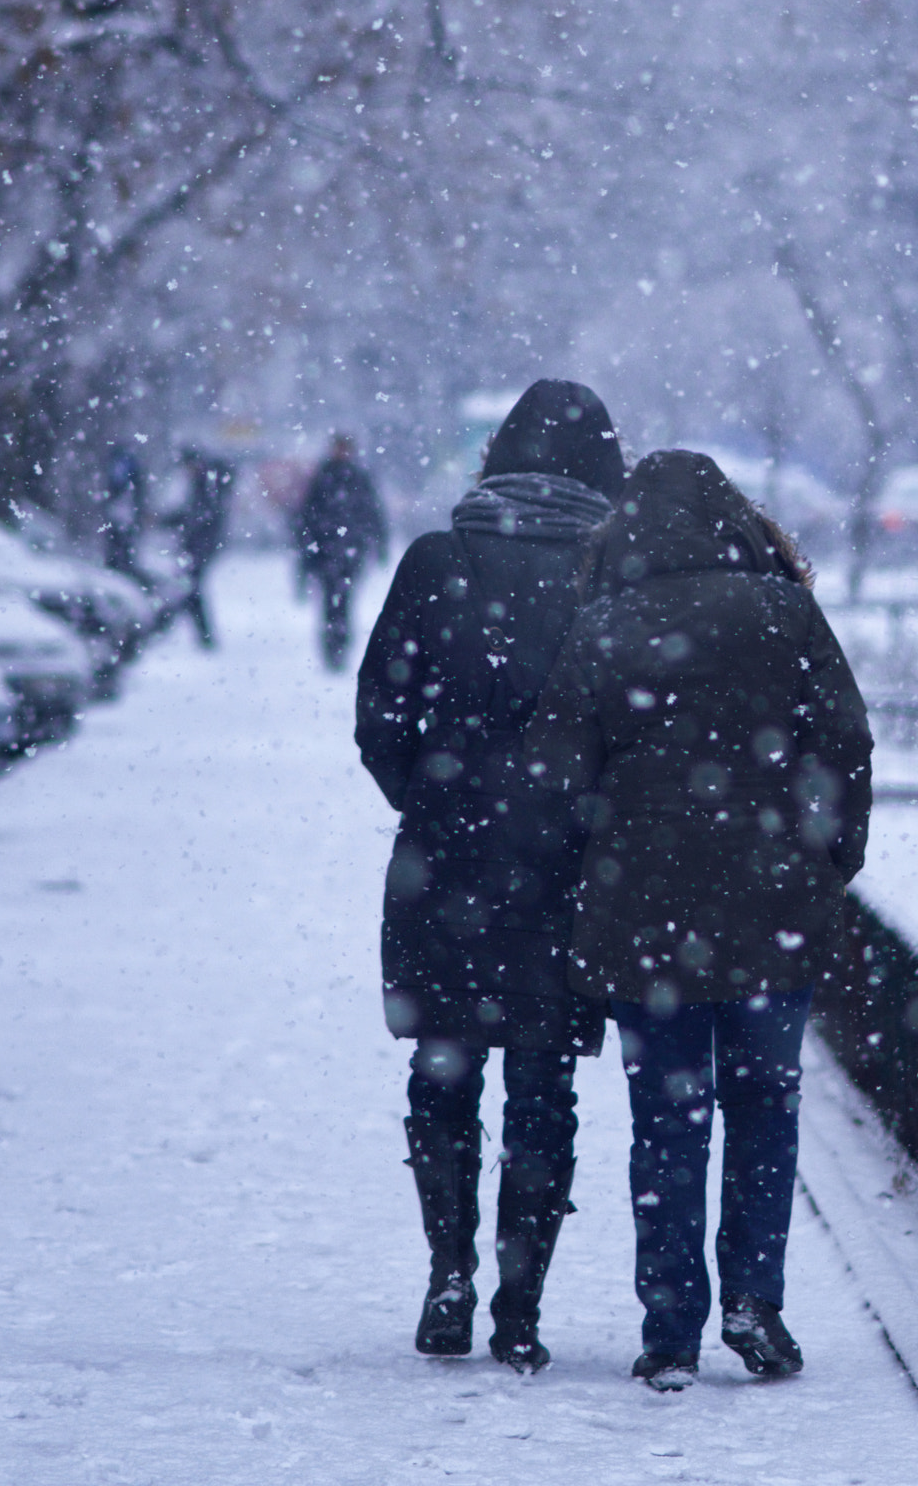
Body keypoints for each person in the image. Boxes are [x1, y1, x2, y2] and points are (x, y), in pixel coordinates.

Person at [526, 450, 873, 1391]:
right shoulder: (783, 612)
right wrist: (829, 861)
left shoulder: (602, 624)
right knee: (764, 1104)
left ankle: (670, 1326)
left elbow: (556, 774)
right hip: (772, 905)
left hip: (644, 918)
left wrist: (596, 859)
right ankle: (755, 1300)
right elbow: (842, 739)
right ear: (736, 520)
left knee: (667, 1121)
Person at [355, 380, 626, 1371]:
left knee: (444, 1071)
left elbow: (380, 712)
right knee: (544, 1086)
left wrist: (430, 796)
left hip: (448, 859)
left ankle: (447, 1272)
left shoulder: (438, 559)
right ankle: (520, 1302)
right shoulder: (613, 571)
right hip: (567, 866)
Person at [295, 436, 388, 669]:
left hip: (349, 551)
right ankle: (334, 647)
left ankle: (338, 646)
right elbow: (307, 516)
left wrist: (378, 543)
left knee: (341, 600)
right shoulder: (325, 477)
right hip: (330, 551)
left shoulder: (356, 477)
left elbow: (373, 512)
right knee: (333, 600)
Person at [164, 447, 235, 648]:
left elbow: (198, 516)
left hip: (200, 545)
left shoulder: (205, 485)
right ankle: (201, 633)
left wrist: (170, 522)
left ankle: (200, 633)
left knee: (189, 587)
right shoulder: (206, 483)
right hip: (200, 544)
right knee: (189, 587)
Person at [102, 443, 148, 584]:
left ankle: (118, 573)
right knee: (123, 548)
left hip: (121, 513)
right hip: (125, 514)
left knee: (118, 547)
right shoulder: (129, 465)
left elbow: (116, 486)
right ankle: (121, 572)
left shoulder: (120, 465)